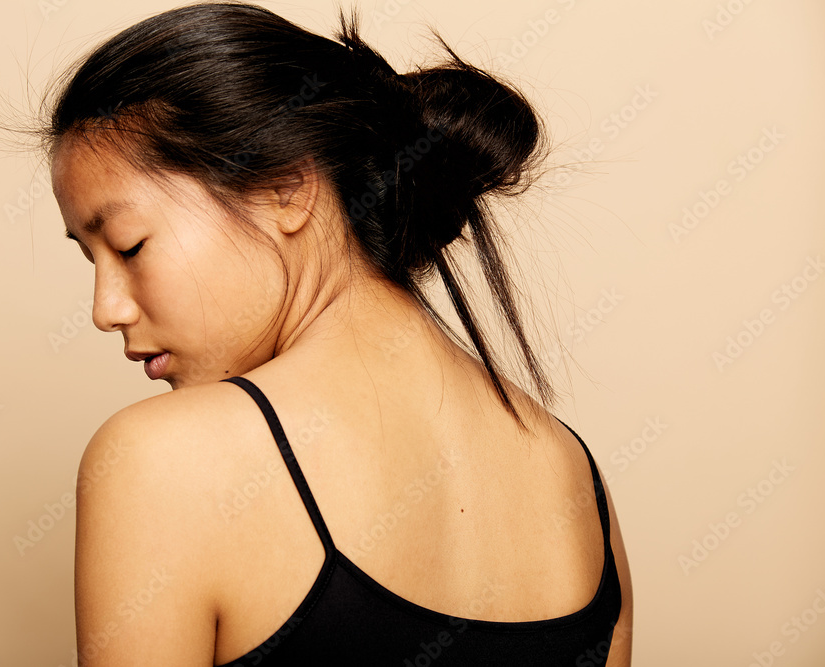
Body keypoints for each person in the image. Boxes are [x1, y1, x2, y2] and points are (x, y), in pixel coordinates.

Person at [45, 2, 633, 664]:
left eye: (128, 244)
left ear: (285, 189)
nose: (106, 307)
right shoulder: (574, 478)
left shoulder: (160, 459)